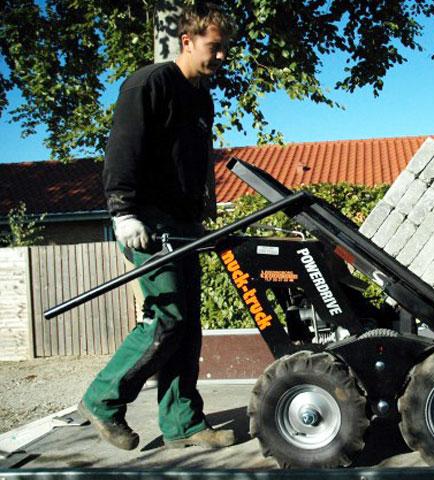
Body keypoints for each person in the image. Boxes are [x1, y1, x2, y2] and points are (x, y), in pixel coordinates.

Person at [77, 3, 235, 451]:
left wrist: (206, 209)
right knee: (167, 318)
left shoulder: (201, 96)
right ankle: (103, 398)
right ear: (187, 41)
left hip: (184, 224)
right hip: (146, 221)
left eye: (225, 48)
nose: (222, 56)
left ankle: (183, 422)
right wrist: (123, 211)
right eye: (214, 47)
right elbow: (122, 150)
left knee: (188, 326)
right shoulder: (149, 83)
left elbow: (196, 162)